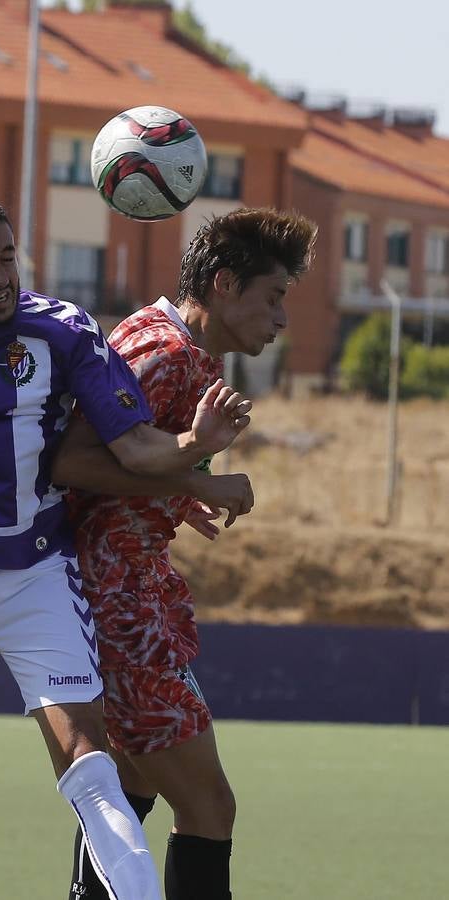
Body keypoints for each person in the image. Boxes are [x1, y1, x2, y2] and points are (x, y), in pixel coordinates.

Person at [0, 194, 254, 900]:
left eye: (8, 258)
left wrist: (194, 452)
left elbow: (131, 443)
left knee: (90, 768)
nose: (2, 277)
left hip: (36, 577)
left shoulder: (61, 329)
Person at [52, 207, 318, 900]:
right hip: (119, 606)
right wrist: (195, 476)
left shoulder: (164, 335)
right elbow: (70, 463)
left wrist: (170, 496)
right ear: (225, 284)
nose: (282, 318)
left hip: (124, 596)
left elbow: (122, 456)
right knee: (209, 808)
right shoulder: (170, 353)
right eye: (275, 296)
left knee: (132, 787)